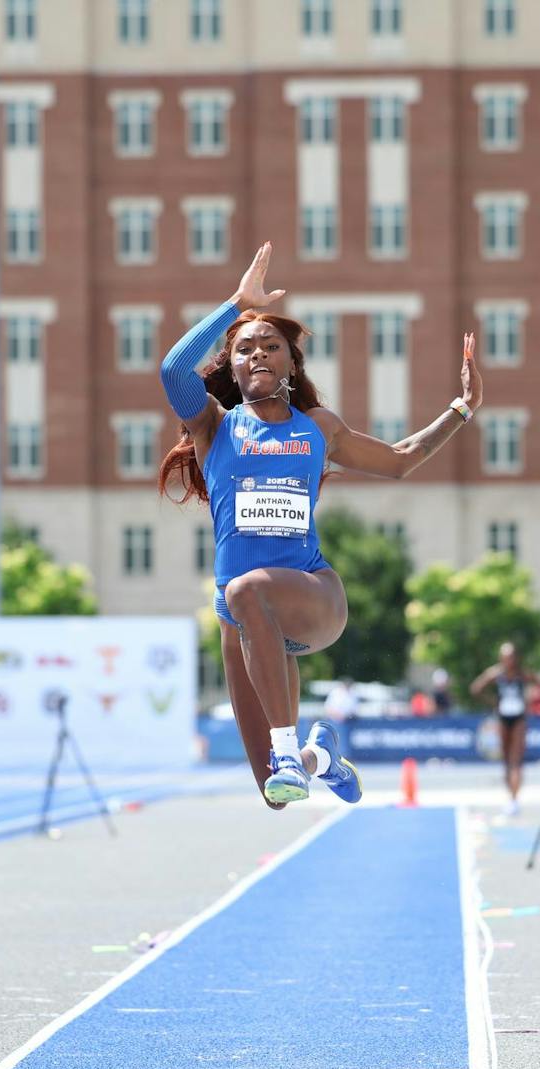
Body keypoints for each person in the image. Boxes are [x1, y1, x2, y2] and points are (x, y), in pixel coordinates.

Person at [157, 243, 482, 807]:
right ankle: (317, 754)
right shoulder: (214, 425)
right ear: (231, 367)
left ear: (290, 362)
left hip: (313, 597)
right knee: (274, 794)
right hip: (241, 617)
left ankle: (288, 747)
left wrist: (461, 409)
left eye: (271, 346)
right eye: (245, 348)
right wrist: (235, 304)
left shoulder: (318, 429)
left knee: (247, 589)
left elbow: (401, 459)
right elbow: (171, 369)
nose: (258, 354)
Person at [471, 643, 540, 817]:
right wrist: (494, 703)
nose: (509, 661)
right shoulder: (496, 674)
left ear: (516, 658)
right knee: (505, 759)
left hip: (519, 717)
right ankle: (509, 796)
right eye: (506, 657)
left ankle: (515, 797)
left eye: (512, 657)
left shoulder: (523, 674)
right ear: (501, 658)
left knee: (516, 759)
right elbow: (476, 688)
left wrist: (530, 701)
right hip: (503, 717)